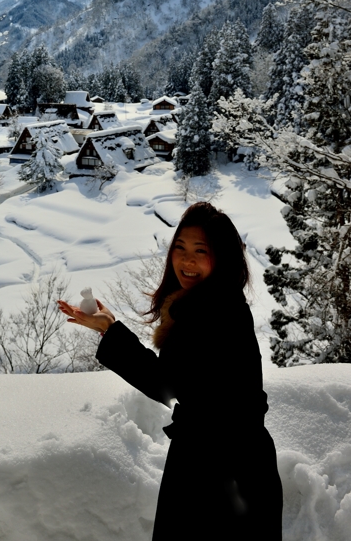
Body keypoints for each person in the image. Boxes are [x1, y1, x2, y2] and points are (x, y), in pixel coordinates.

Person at [58, 201, 283, 541]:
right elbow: (178, 382)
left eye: (200, 250)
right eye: (179, 248)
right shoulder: (216, 304)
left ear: (221, 256)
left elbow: (166, 382)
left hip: (224, 473)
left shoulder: (214, 314)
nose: (186, 260)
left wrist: (111, 331)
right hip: (222, 464)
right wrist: (110, 329)